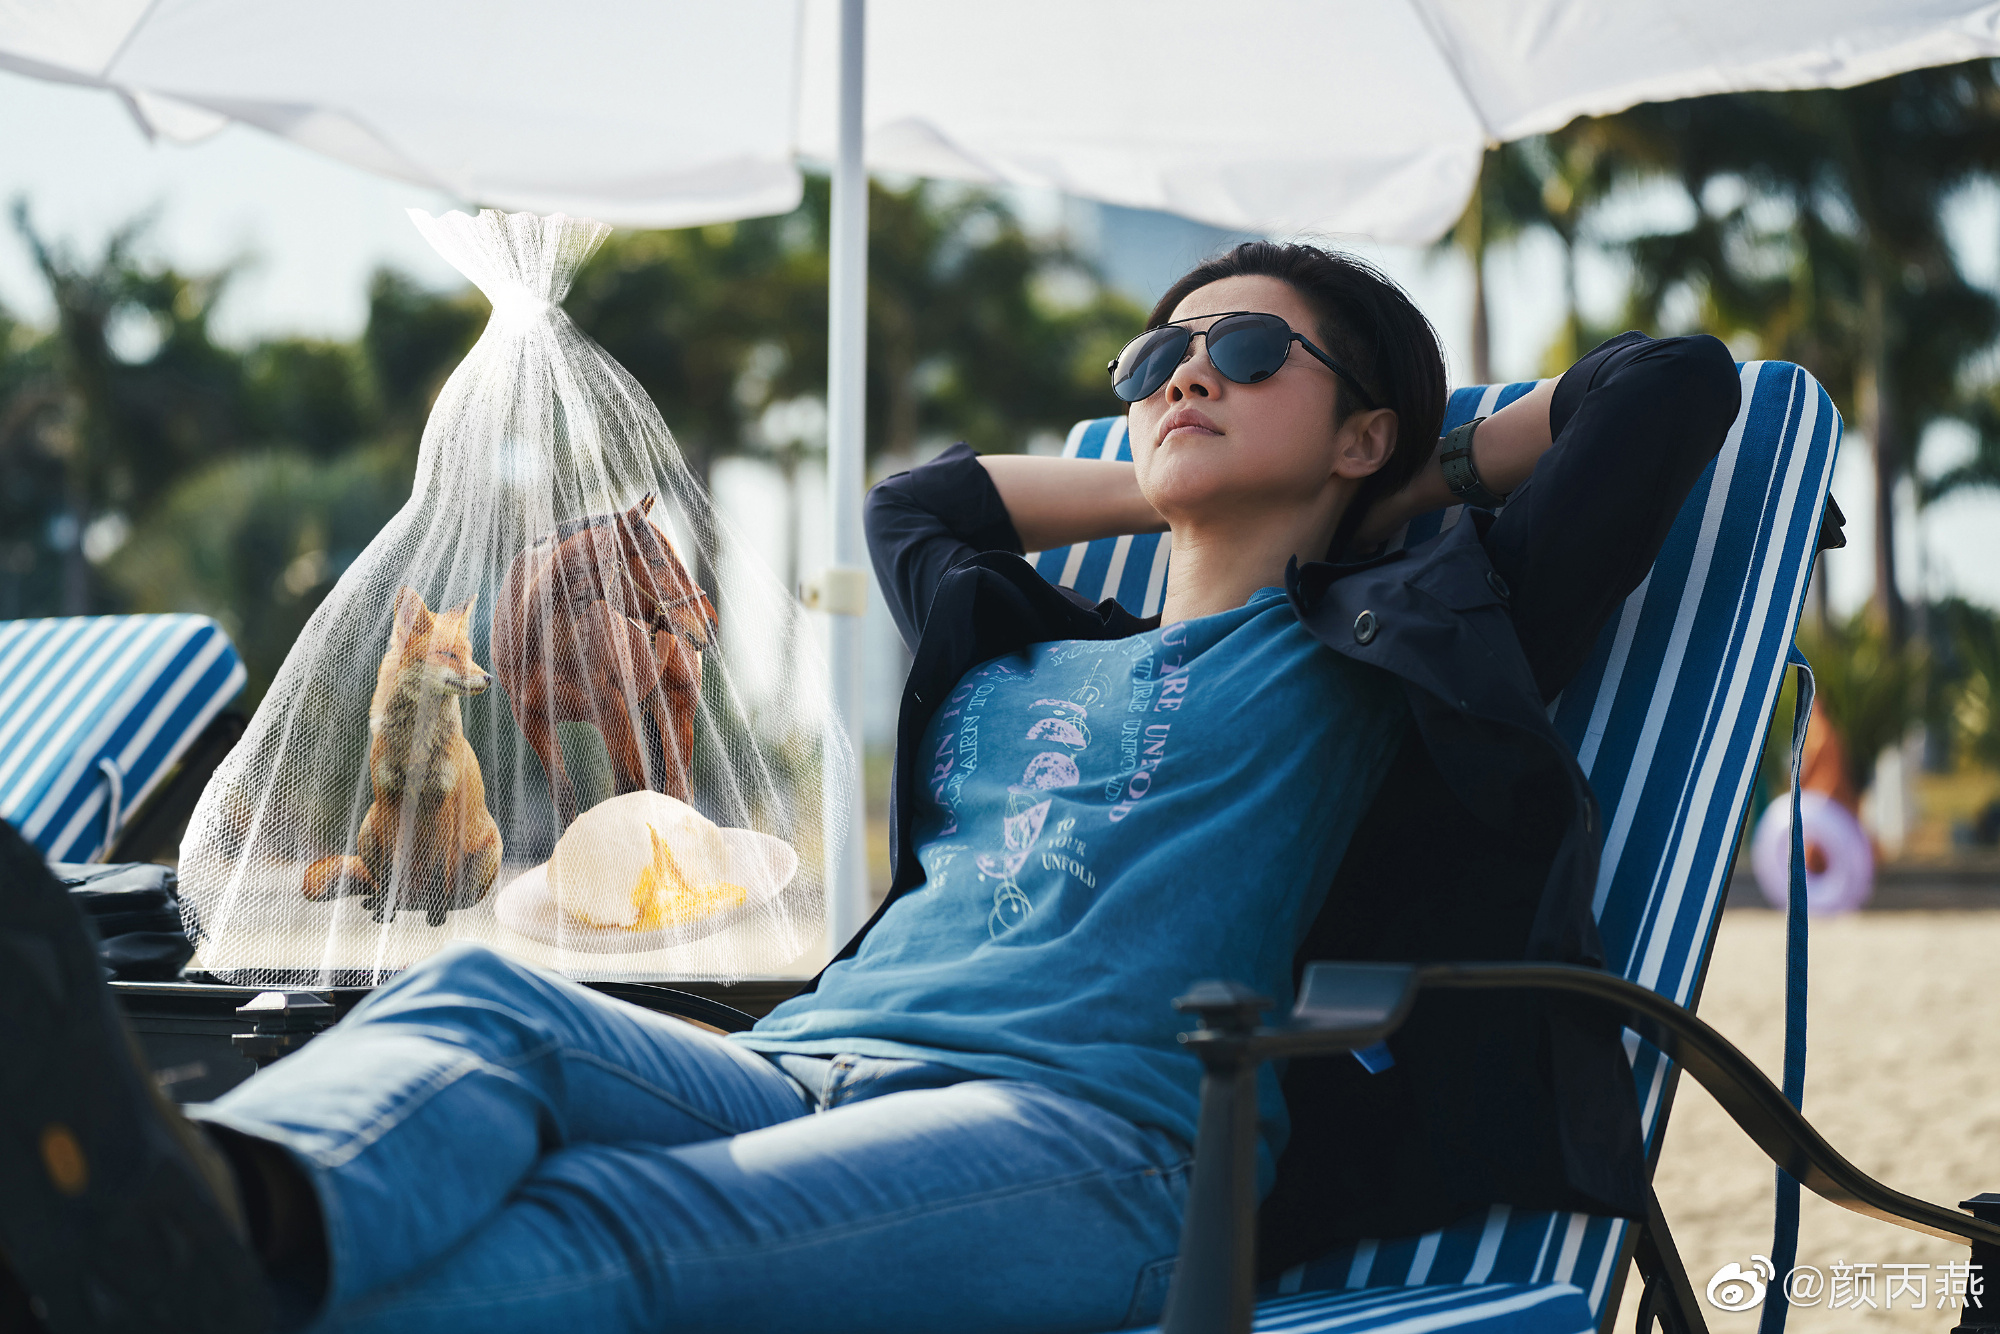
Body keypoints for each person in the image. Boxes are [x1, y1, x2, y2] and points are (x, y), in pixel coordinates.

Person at [0, 241, 1741, 1334]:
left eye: (1254, 354)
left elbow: (1666, 391)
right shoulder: (1030, 645)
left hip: (1094, 1142)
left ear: (1365, 436)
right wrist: (1181, 469)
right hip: (798, 1068)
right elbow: (923, 501)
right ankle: (196, 1216)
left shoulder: (1377, 641)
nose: (1187, 373)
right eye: (1155, 361)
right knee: (483, 1008)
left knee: (617, 1224)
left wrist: (1376, 496)